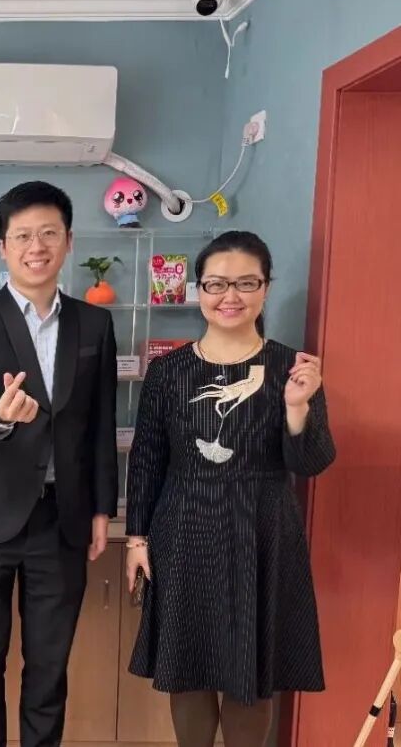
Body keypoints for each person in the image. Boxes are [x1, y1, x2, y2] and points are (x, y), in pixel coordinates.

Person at [125, 231, 335, 747]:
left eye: (246, 283)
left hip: (262, 529)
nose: (230, 296)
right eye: (216, 284)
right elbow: (147, 459)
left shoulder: (293, 368)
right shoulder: (168, 371)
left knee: (253, 670)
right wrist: (136, 540)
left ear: (266, 288)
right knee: (189, 667)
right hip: (185, 528)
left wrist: (298, 408)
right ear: (199, 289)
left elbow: (311, 463)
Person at [0, 181, 118, 747]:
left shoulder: (95, 325)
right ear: (3, 246)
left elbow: (101, 421)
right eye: (21, 236)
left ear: (68, 241)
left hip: (62, 518)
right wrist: (0, 412)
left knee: (49, 667)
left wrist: (102, 509)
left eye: (48, 233)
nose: (35, 246)